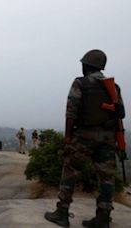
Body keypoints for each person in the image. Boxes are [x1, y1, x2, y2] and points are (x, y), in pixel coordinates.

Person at [45, 49, 126, 228]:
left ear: (87, 66)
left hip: (84, 136)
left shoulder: (80, 83)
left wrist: (67, 136)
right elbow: (120, 113)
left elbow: (71, 111)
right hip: (107, 137)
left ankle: (62, 213)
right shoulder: (113, 86)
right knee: (106, 177)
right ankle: (103, 217)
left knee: (70, 170)